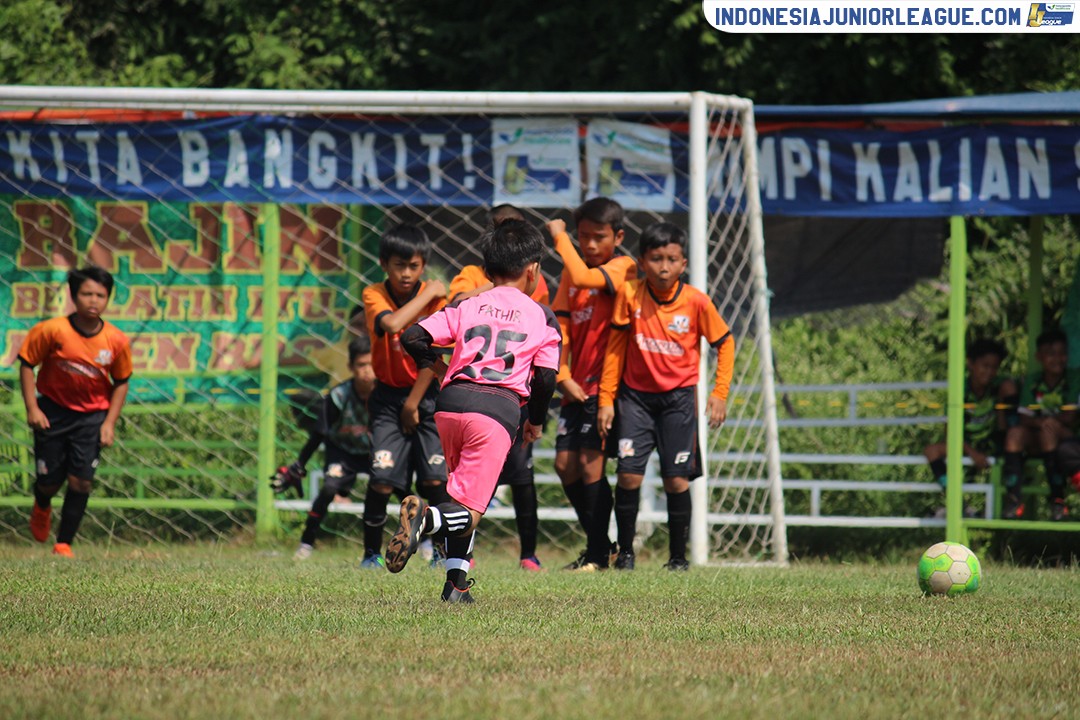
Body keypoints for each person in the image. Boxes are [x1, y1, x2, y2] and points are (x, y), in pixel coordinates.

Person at [388, 219, 562, 603]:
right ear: (533, 269)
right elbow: (547, 378)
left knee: (460, 496)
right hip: (496, 411)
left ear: (487, 269)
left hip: (450, 407)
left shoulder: (469, 304)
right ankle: (426, 519)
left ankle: (456, 586)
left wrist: (436, 365)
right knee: (470, 509)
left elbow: (412, 336)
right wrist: (535, 420)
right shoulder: (541, 315)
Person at [596, 222, 734, 571]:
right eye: (656, 259)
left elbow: (725, 343)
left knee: (676, 479)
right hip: (634, 400)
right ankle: (625, 554)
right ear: (642, 261)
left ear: (683, 263)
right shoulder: (630, 296)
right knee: (629, 475)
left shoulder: (697, 303)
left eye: (672, 259)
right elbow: (614, 349)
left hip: (678, 401)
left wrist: (719, 393)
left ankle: (677, 559)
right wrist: (606, 399)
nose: (664, 267)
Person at [446, 204, 551, 571]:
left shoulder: (537, 285)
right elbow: (457, 302)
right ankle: (451, 545)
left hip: (500, 397)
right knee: (470, 490)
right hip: (492, 397)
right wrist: (499, 287)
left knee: (520, 477)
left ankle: (528, 554)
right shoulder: (472, 276)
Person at [546, 197, 637, 572]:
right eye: (583, 237)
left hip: (605, 386)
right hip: (574, 384)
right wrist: (561, 376)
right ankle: (602, 545)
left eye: (599, 237)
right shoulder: (572, 270)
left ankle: (599, 555)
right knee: (564, 465)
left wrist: (559, 236)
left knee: (589, 465)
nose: (590, 245)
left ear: (618, 237)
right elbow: (560, 323)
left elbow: (584, 277)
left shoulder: (623, 266)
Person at [18, 266, 133, 558]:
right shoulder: (52, 330)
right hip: (53, 413)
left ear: (108, 298)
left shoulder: (116, 340)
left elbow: (121, 382)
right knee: (50, 480)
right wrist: (32, 407)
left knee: (81, 481)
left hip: (92, 417)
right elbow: (27, 364)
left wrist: (109, 423)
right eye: (86, 294)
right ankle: (42, 504)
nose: (93, 300)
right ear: (73, 295)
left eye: (100, 295)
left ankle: (64, 543)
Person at [361, 224, 451, 560]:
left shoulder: (438, 298)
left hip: (426, 396)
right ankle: (371, 553)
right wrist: (428, 295)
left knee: (434, 480)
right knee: (382, 478)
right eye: (399, 266)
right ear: (384, 264)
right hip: (387, 398)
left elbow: (433, 357)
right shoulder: (375, 294)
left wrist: (413, 404)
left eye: (414, 266)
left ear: (423, 265)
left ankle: (442, 553)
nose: (406, 274)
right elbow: (392, 325)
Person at [272, 335, 382, 563]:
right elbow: (319, 433)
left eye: (372, 364)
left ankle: (425, 544)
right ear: (351, 367)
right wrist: (299, 464)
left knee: (395, 485)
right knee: (329, 487)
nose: (367, 371)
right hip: (342, 452)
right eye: (361, 365)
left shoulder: (385, 395)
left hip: (375, 452)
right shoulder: (338, 396)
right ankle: (306, 542)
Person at [922, 338, 1016, 509]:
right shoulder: (960, 391)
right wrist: (973, 453)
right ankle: (956, 502)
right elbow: (950, 433)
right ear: (970, 364)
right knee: (931, 450)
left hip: (993, 442)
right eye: (984, 366)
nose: (990, 371)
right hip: (966, 445)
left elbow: (1006, 423)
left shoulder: (1000, 387)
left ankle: (1011, 494)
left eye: (994, 367)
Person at [1002, 328, 1078, 520]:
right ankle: (1013, 499)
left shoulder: (1073, 379)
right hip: (1038, 435)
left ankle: (1058, 500)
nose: (1058, 359)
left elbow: (1070, 417)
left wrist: (1048, 422)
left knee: (1048, 431)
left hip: (1066, 440)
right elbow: (1024, 417)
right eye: (1051, 354)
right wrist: (1043, 421)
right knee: (1014, 435)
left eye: (1062, 353)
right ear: (1039, 357)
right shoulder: (1032, 381)